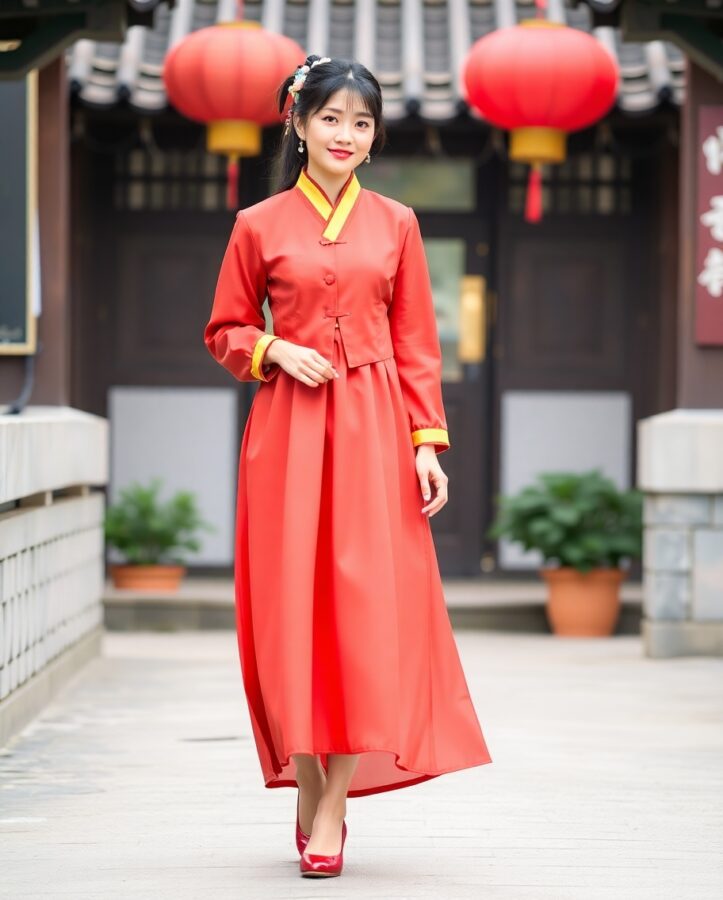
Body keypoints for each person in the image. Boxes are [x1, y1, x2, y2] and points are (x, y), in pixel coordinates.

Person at [203, 54, 492, 879]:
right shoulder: (256, 224)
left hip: (371, 429)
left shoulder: (397, 222)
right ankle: (310, 776)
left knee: (365, 613)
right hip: (287, 432)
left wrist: (426, 445)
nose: (345, 135)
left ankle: (327, 801)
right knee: (296, 609)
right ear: (297, 125)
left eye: (361, 124)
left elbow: (415, 346)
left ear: (372, 141)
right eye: (330, 118)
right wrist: (272, 350)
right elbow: (223, 329)